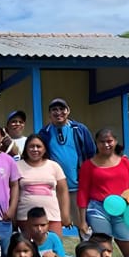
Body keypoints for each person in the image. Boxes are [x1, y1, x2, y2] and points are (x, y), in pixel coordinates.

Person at [76, 127, 129, 257]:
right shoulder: (88, 165)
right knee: (102, 251)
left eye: (109, 141)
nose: (106, 144)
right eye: (102, 141)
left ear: (115, 141)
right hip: (98, 210)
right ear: (96, 143)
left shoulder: (125, 162)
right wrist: (82, 221)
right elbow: (83, 193)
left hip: (123, 209)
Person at [37, 98, 97, 238]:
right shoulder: (44, 133)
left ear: (68, 111)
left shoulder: (79, 130)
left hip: (79, 187)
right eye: (54, 110)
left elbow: (91, 155)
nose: (58, 113)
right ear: (49, 114)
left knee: (85, 228)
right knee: (52, 229)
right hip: (55, 190)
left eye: (62, 109)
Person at [13, 135, 70, 239]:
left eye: (38, 146)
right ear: (26, 148)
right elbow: (13, 193)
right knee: (29, 250)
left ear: (45, 149)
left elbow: (63, 191)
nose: (35, 149)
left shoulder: (54, 166)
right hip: (25, 217)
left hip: (52, 216)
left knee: (54, 249)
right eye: (31, 146)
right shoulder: (17, 166)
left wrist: (65, 215)